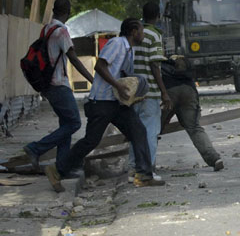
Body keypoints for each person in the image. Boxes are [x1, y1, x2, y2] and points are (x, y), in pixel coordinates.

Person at [44, 19, 165, 192]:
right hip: (101, 102)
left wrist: (132, 93)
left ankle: (144, 175)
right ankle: (57, 170)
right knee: (90, 141)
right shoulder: (117, 44)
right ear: (133, 32)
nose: (143, 35)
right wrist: (117, 85)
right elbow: (100, 67)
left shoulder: (129, 50)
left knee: (138, 131)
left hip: (116, 103)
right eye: (141, 31)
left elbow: (121, 74)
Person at [23, 0, 94, 173]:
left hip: (47, 84)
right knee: (75, 123)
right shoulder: (62, 31)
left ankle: (62, 167)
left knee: (66, 125)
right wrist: (92, 79)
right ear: (68, 12)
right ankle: (36, 148)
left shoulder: (46, 29)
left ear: (54, 10)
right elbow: (74, 58)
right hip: (59, 84)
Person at [127, 3, 172, 183]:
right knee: (150, 132)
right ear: (158, 16)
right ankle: (147, 169)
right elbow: (155, 64)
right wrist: (164, 92)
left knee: (135, 131)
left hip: (132, 90)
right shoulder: (154, 35)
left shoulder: (130, 35)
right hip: (149, 91)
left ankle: (133, 169)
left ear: (142, 15)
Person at [160, 56, 224, 171]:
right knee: (194, 128)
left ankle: (145, 166)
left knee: (153, 130)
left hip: (169, 93)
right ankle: (214, 158)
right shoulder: (186, 70)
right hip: (188, 92)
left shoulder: (162, 66)